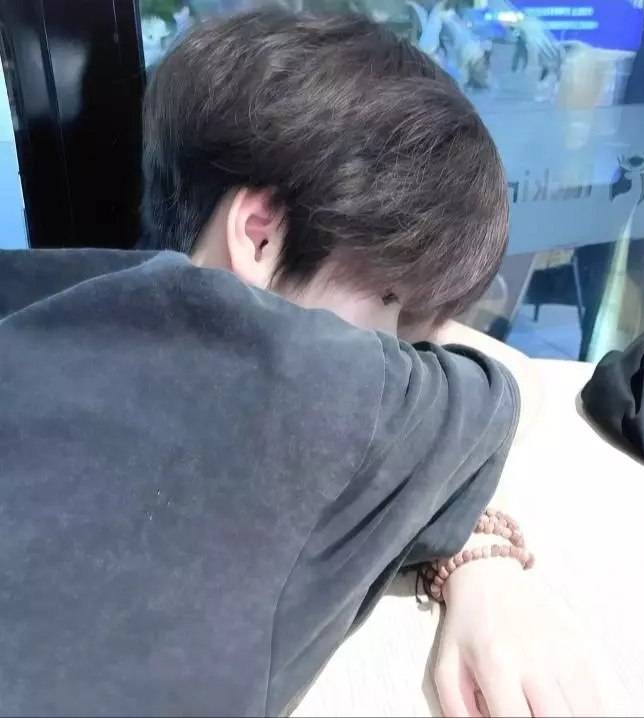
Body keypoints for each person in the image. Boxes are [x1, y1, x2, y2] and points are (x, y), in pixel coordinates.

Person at [0, 11, 601, 717]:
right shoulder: (314, 389)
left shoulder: (45, 290)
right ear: (260, 235)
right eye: (392, 302)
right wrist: (482, 559)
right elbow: (518, 385)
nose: (406, 351)